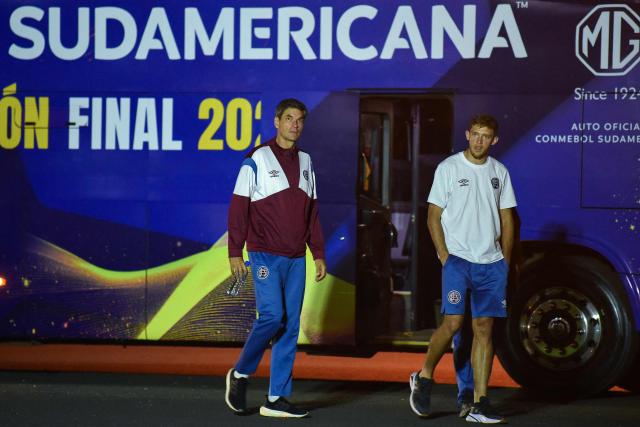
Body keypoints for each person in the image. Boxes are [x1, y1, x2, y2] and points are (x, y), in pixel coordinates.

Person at [409, 114, 516, 424]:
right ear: (468, 135)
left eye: (486, 136)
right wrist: (445, 255)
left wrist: (505, 262)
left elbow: (507, 219)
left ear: (494, 140)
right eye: (475, 135)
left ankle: (480, 402)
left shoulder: (500, 172)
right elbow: (433, 216)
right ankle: (425, 376)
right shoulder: (449, 168)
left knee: (484, 329)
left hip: (491, 264)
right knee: (453, 323)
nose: (479, 140)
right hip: (458, 261)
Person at [224, 98, 326, 418]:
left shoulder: (307, 161)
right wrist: (234, 252)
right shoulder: (255, 158)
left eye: (299, 120)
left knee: (290, 326)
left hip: (297, 257)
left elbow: (312, 213)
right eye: (289, 119)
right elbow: (239, 208)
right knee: (272, 317)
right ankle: (240, 374)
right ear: (276, 122)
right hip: (264, 253)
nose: (294, 124)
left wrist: (318, 253)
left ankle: (276, 398)